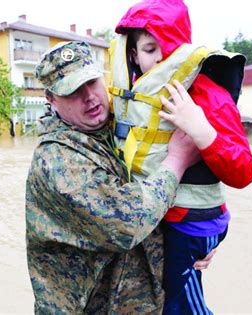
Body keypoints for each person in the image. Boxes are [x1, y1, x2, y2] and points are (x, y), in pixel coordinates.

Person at [26, 41, 213, 314]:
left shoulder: (120, 126)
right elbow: (127, 223)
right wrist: (177, 160)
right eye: (73, 91)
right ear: (51, 100)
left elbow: (157, 186)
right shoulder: (56, 160)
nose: (89, 96)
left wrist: (196, 237)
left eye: (91, 82)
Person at [111, 1, 252, 313]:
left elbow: (244, 172)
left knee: (178, 306)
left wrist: (202, 131)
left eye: (170, 48)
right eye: (150, 49)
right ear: (133, 54)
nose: (162, 58)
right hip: (159, 221)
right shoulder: (129, 95)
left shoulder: (207, 95)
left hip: (191, 225)